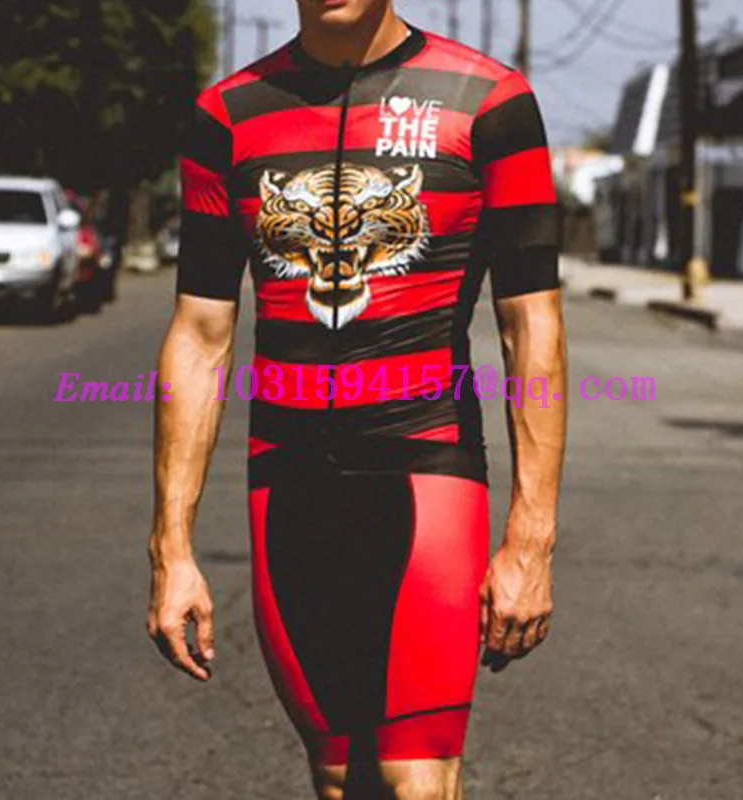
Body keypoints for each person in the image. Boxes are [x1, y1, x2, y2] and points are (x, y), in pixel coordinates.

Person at [147, 0, 567, 797]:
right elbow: (199, 334)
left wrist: (531, 539)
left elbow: (531, 324)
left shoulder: (488, 103)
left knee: (416, 774)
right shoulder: (226, 117)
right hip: (286, 482)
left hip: (426, 464)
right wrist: (171, 551)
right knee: (339, 777)